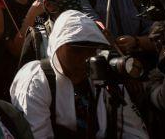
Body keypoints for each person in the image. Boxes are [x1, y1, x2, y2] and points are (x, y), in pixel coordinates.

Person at [10, 10, 148, 139]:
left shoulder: (105, 77)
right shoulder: (37, 80)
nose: (84, 57)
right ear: (58, 46)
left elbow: (133, 131)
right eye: (76, 50)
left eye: (91, 50)